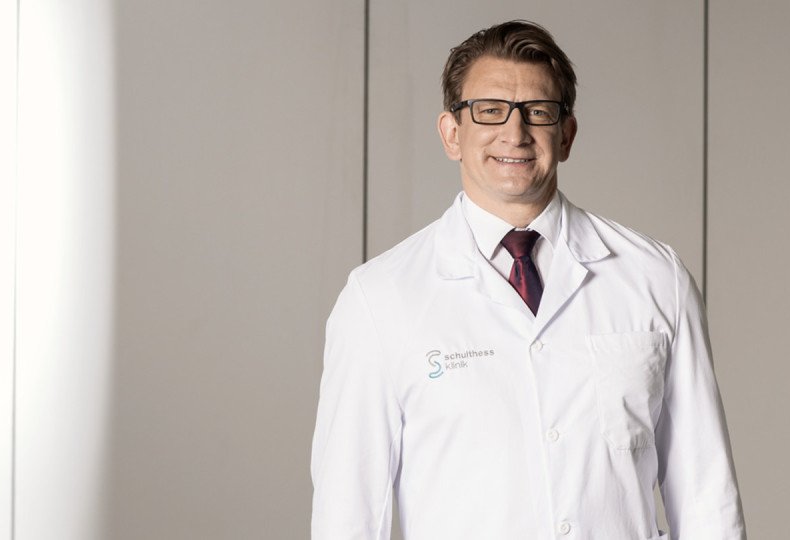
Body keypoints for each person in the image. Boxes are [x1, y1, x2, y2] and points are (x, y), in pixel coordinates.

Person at [310, 20, 746, 540]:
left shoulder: (655, 277)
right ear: (452, 133)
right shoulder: (380, 297)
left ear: (567, 134)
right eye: (489, 110)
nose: (514, 133)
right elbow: (349, 514)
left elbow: (707, 497)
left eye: (537, 112)